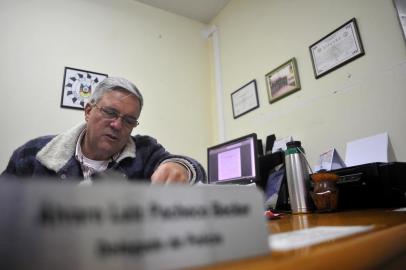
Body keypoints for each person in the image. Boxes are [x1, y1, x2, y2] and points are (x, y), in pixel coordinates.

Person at [1, 77, 206, 184]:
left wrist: (180, 168)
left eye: (128, 120)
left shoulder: (144, 152)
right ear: (88, 111)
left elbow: (193, 167)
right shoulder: (33, 154)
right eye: (110, 112)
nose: (117, 125)